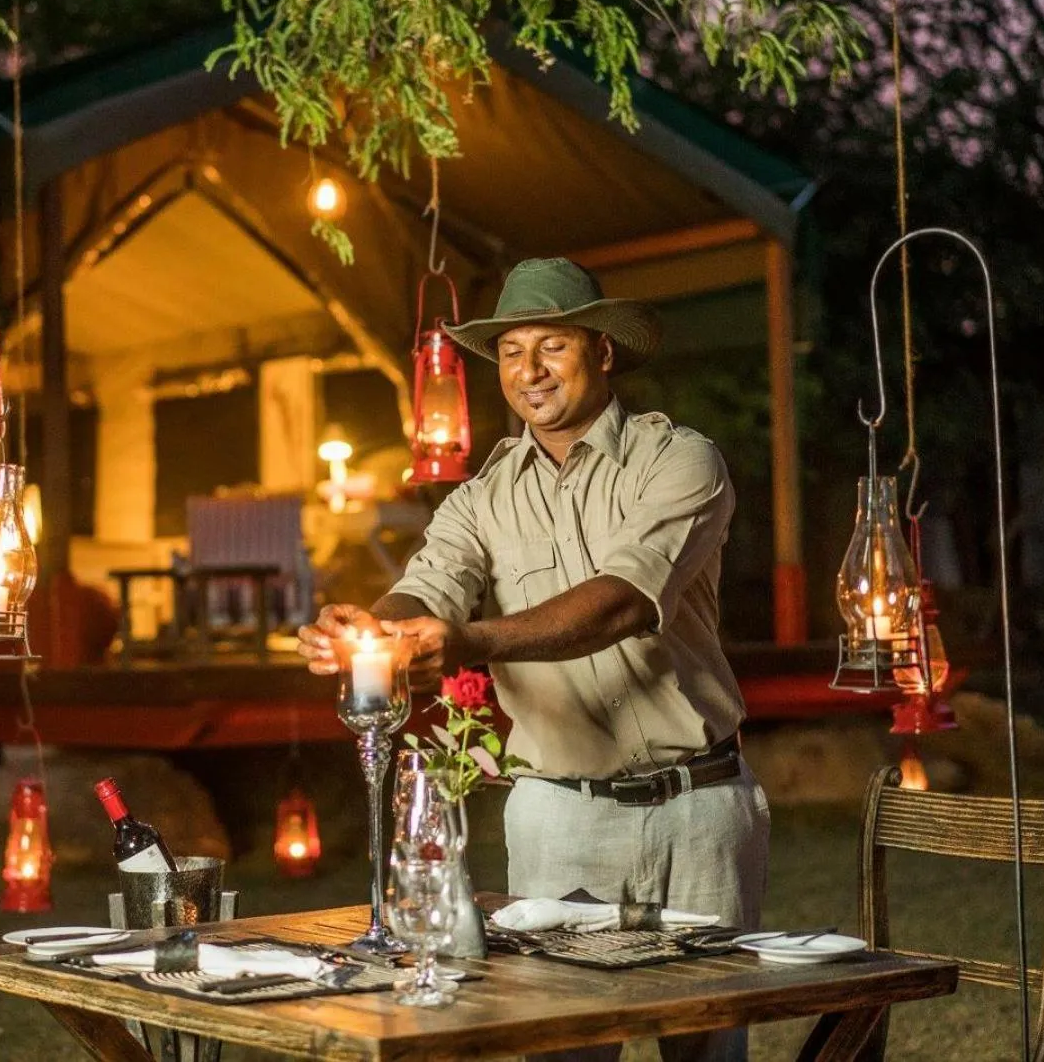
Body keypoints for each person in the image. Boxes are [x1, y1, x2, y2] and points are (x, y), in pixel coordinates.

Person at [300, 257, 768, 1062]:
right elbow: (430, 587)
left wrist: (472, 641)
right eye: (512, 352)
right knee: (559, 1050)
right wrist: (371, 629)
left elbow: (623, 599)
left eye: (552, 346)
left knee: (706, 1050)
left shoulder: (679, 460)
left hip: (699, 807)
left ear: (603, 351)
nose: (529, 371)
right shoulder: (480, 496)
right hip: (558, 811)